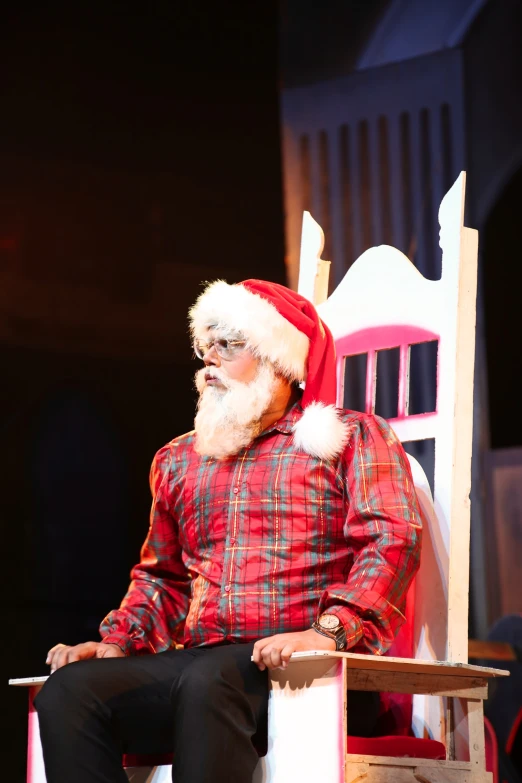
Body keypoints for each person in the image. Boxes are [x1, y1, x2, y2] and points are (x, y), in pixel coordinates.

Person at [35, 279, 423, 783]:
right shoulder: (179, 460)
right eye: (206, 347)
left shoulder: (350, 439)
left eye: (229, 346)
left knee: (207, 679)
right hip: (207, 669)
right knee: (70, 691)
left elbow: (390, 540)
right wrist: (121, 640)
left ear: (280, 360)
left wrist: (325, 632)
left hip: (313, 672)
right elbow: (164, 578)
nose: (209, 362)